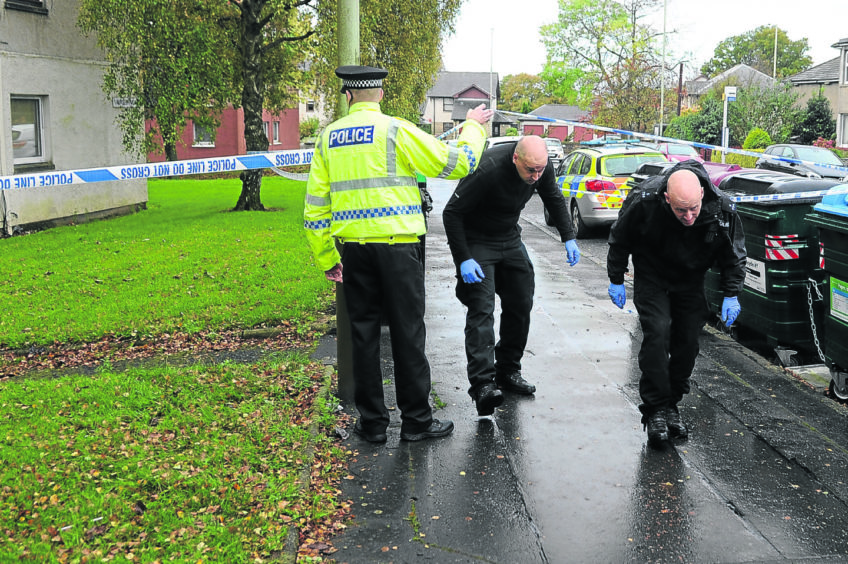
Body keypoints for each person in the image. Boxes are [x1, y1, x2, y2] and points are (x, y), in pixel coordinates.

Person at [303, 65, 494, 443]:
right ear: (381, 95)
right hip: (399, 250)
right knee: (408, 333)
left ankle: (372, 424)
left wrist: (328, 258)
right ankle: (416, 422)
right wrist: (473, 126)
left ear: (348, 96)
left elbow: (313, 209)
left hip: (353, 251)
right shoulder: (396, 130)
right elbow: (458, 163)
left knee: (363, 336)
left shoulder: (327, 138)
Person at [606, 161, 746, 446]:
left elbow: (734, 255)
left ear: (702, 198)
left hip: (691, 278)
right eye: (681, 210)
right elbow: (620, 239)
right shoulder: (644, 201)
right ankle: (655, 408)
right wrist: (616, 278)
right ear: (667, 198)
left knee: (687, 342)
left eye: (694, 208)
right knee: (657, 333)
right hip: (652, 275)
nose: (689, 216)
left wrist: (732, 294)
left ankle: (672, 403)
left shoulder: (721, 209)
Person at [442, 135, 580, 416]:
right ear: (516, 158)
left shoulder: (540, 165)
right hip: (477, 240)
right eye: (530, 170)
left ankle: (508, 370)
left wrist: (568, 237)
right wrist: (464, 259)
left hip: (509, 237)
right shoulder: (488, 169)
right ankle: (482, 386)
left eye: (540, 170)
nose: (535, 176)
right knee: (482, 309)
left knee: (521, 301)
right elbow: (451, 213)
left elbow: (553, 196)